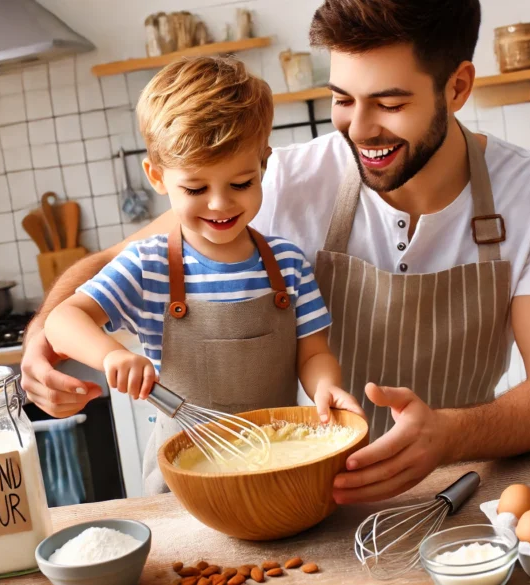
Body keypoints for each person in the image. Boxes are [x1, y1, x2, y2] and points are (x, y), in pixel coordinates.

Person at [22, 0, 530, 504]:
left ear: (458, 87)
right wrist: (42, 339)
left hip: (458, 490)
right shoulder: (278, 182)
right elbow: (104, 266)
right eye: (343, 99)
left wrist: (449, 435)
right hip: (304, 498)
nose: (360, 129)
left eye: (389, 103)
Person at [42, 56, 363, 495]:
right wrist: (111, 356)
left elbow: (312, 354)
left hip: (275, 466)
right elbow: (62, 320)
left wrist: (327, 387)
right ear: (157, 176)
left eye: (241, 183)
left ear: (263, 166)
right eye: (195, 188)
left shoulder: (287, 264)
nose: (219, 204)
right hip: (183, 484)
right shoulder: (147, 266)